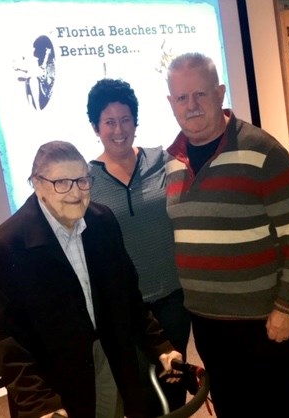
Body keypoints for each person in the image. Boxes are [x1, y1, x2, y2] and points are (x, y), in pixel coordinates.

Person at [164, 52, 289, 418]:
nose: (192, 105)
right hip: (206, 323)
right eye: (182, 98)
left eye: (200, 94)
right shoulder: (172, 161)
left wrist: (288, 307)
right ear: (170, 103)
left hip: (261, 322)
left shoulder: (262, 150)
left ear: (219, 93)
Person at [0, 141, 182, 418]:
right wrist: (39, 404)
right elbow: (6, 341)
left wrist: (160, 346)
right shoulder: (6, 246)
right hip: (53, 384)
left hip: (110, 360)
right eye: (61, 182)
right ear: (37, 185)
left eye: (82, 181)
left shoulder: (103, 222)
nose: (76, 193)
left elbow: (128, 298)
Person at [86, 78, 190, 416]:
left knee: (174, 384)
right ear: (95, 127)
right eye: (109, 122)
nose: (119, 129)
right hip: (125, 310)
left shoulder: (162, 160)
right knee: (140, 396)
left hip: (174, 297)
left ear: (136, 121)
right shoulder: (85, 181)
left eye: (126, 119)